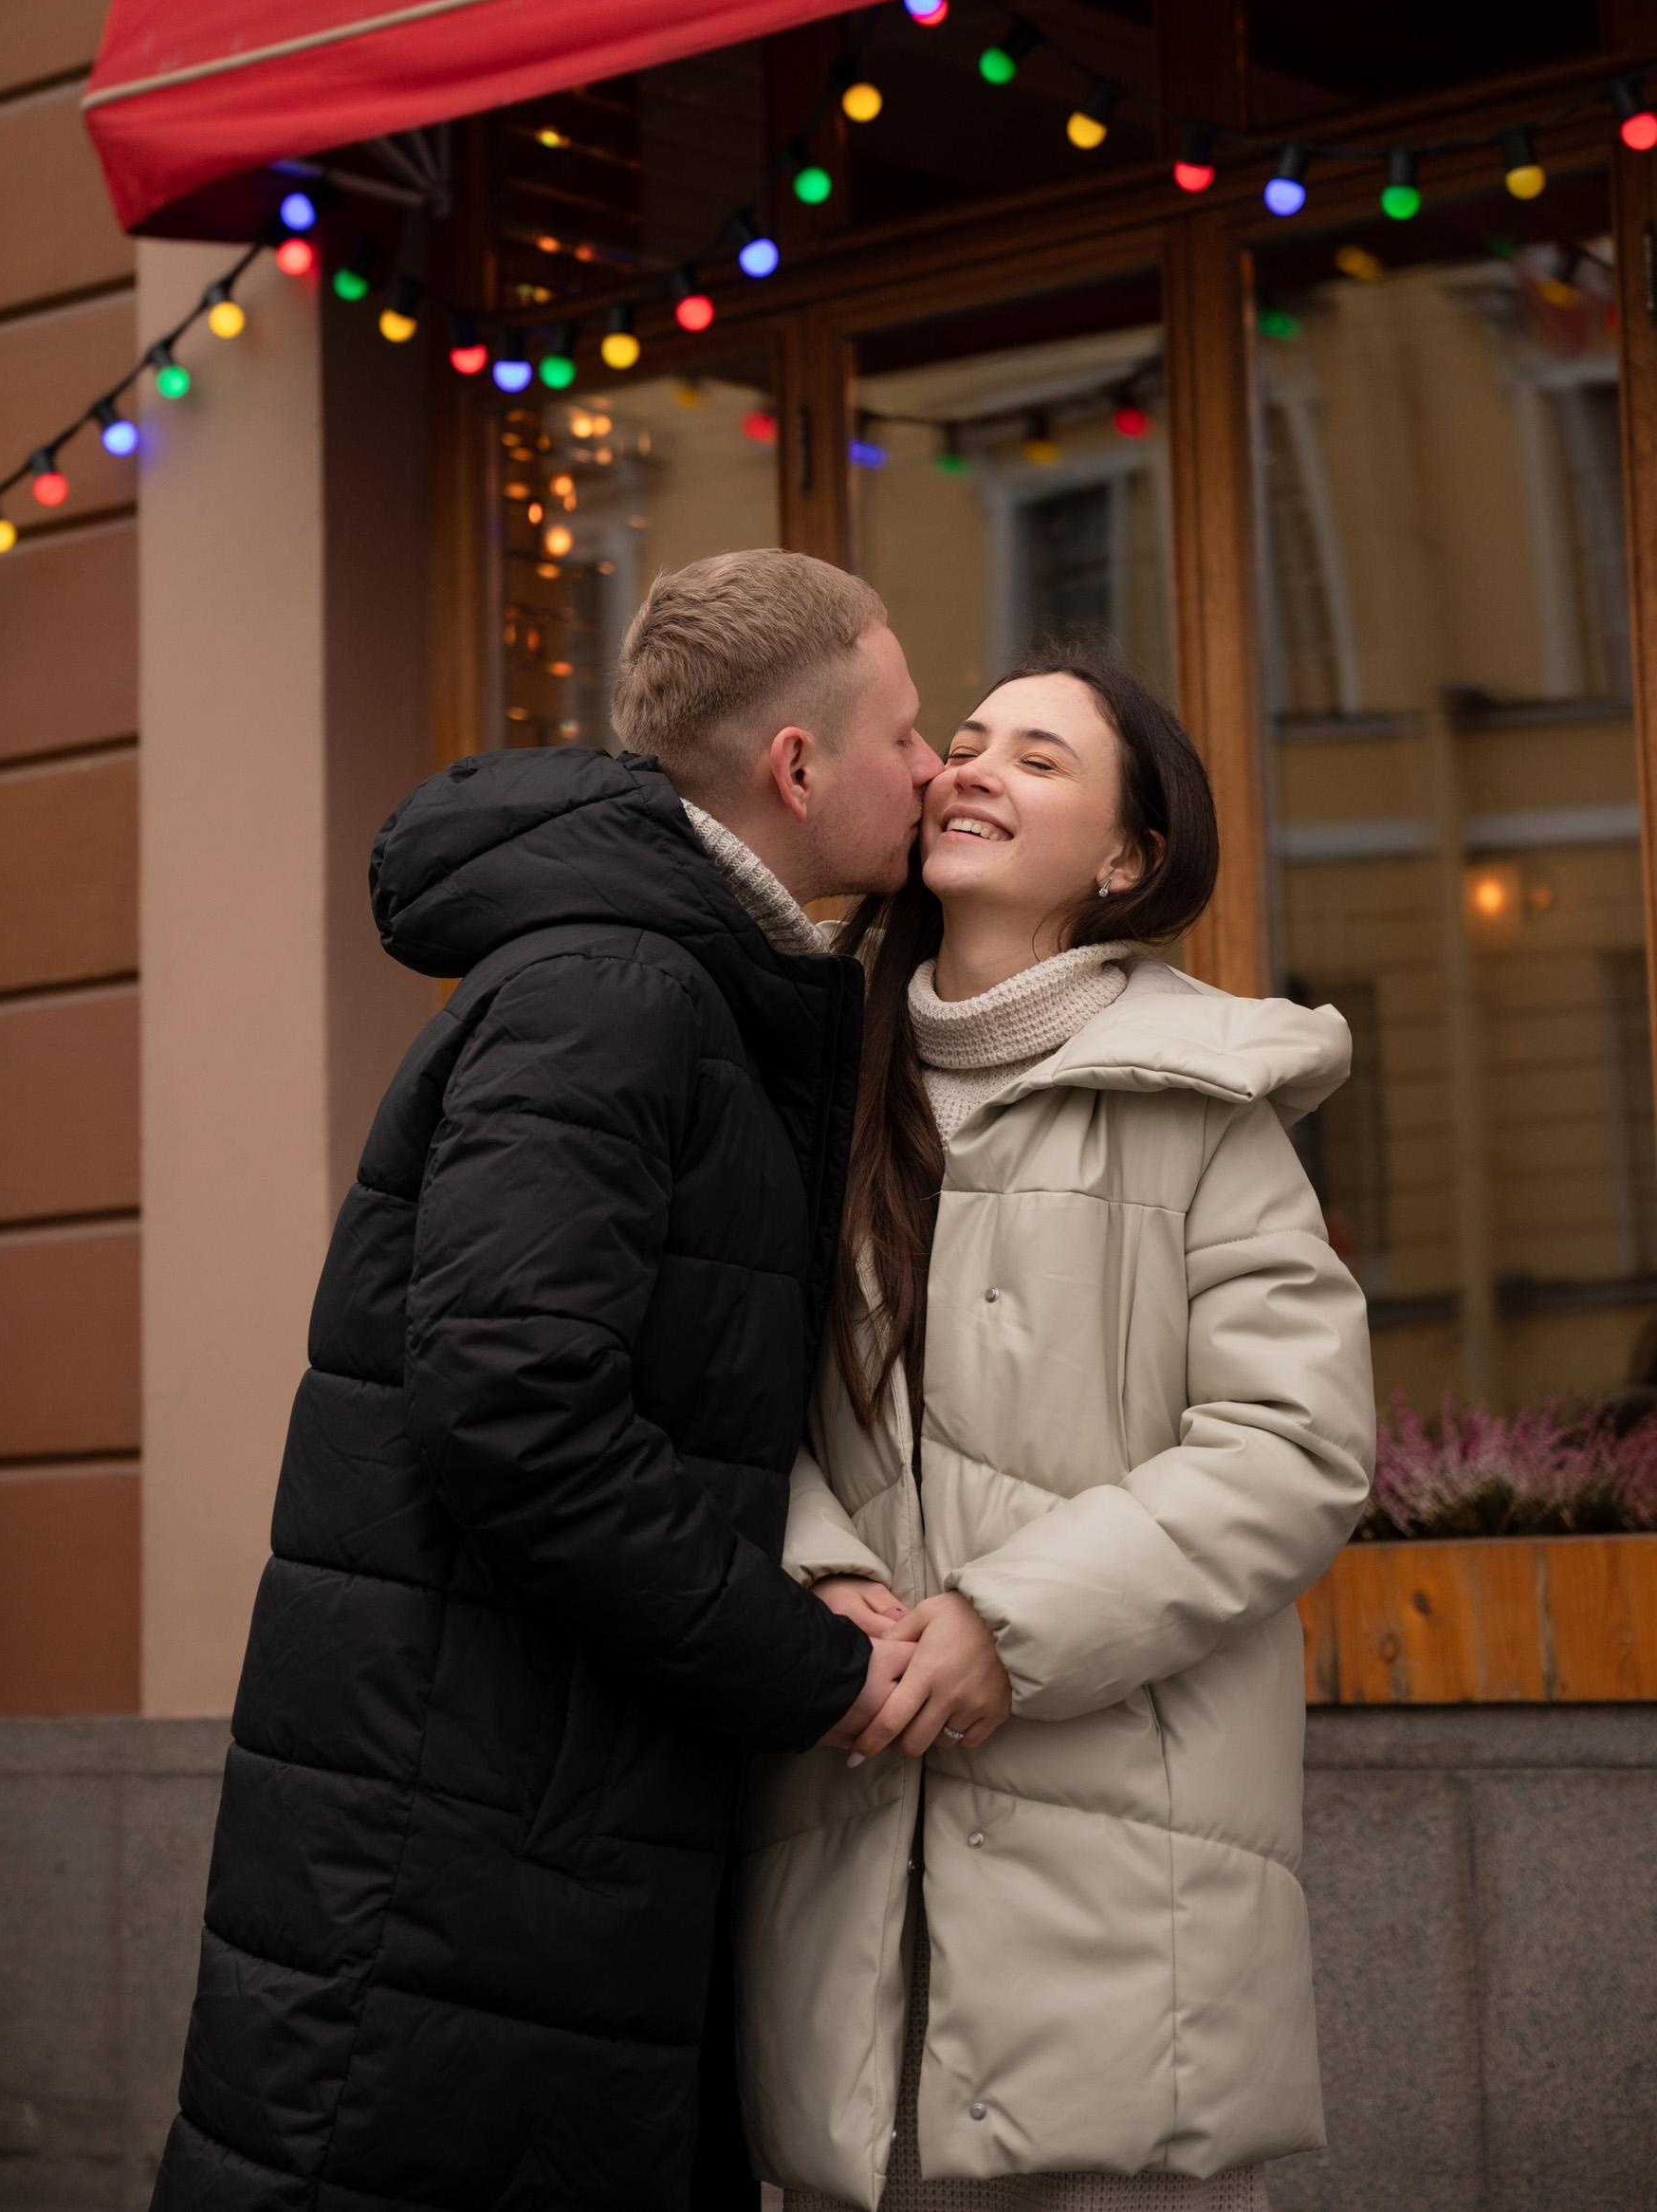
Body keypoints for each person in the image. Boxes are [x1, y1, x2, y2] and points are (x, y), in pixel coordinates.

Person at [149, 549, 943, 2212]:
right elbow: (513, 1411)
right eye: (909, 733)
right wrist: (800, 1663)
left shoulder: (679, 982)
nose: (933, 773)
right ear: (797, 772)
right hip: (462, 1867)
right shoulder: (617, 992)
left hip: (518, 1840)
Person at [737, 637, 1376, 2212]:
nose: (974, 769)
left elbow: (1292, 1447)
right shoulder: (814, 1091)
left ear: (1126, 857)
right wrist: (819, 1582)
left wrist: (1007, 1627)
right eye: (963, 742)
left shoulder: (1205, 1105)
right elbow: (726, 1393)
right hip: (845, 1845)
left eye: (1039, 757)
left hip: (1124, 1898)